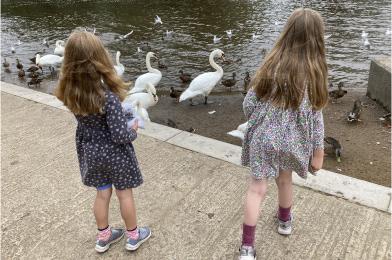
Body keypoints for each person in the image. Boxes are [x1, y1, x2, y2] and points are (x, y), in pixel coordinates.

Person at [239, 8, 328, 259]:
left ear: (287, 33)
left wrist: (260, 122)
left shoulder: (271, 65)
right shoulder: (316, 73)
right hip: (293, 142)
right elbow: (316, 117)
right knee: (285, 180)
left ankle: (247, 248)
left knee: (257, 189)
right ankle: (285, 221)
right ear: (318, 39)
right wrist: (318, 149)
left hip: (264, 139)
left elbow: (249, 103)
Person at [55, 31, 151, 253]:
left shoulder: (70, 92)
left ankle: (104, 237)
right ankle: (134, 236)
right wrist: (134, 128)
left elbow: (89, 121)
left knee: (102, 193)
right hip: (115, 154)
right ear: (100, 58)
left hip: (91, 150)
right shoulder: (107, 96)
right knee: (124, 193)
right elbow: (119, 135)